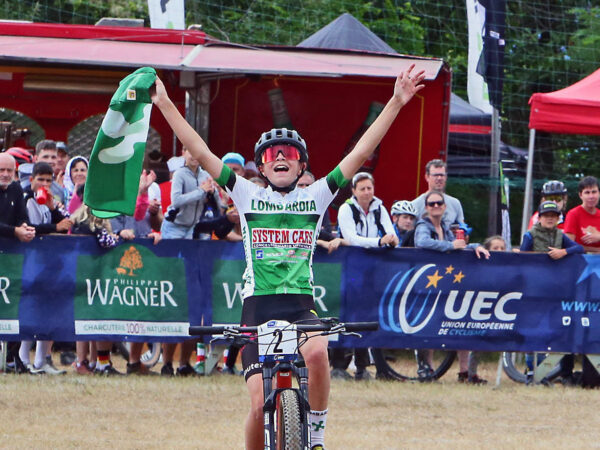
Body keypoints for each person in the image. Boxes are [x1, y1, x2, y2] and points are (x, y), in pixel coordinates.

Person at [151, 64, 425, 450]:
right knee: (257, 405)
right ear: (262, 166)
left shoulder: (316, 196)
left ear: (302, 166)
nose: (281, 156)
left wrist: (396, 101)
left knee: (317, 352)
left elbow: (361, 152)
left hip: (299, 305)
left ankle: (316, 435)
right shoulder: (247, 193)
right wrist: (165, 103)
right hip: (257, 307)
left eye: (290, 153)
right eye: (272, 154)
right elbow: (200, 150)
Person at [414, 190, 490, 384]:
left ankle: (465, 372)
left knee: (461, 324)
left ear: (445, 207)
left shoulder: (446, 228)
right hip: (428, 284)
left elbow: (458, 245)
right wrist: (449, 247)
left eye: (439, 203)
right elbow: (422, 242)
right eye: (432, 204)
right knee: (428, 328)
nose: (436, 206)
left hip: (447, 285)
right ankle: (427, 370)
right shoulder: (423, 225)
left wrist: (475, 246)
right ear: (426, 207)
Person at [334, 171, 397, 380]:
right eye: (362, 189)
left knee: (366, 316)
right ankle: (339, 365)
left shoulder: (379, 208)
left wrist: (391, 240)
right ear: (354, 191)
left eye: (370, 188)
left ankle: (362, 367)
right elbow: (351, 238)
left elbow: (390, 233)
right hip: (350, 266)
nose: (367, 192)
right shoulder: (346, 209)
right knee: (346, 314)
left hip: (372, 269)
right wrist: (379, 242)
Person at [521, 201, 584, 384]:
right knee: (533, 331)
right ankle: (531, 372)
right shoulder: (530, 235)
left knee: (547, 332)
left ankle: (542, 374)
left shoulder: (560, 235)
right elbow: (522, 257)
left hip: (553, 290)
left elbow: (579, 248)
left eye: (553, 216)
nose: (550, 219)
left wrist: (563, 252)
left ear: (558, 219)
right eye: (546, 215)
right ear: (539, 218)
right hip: (533, 290)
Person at [411, 159, 464, 226]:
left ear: (446, 177)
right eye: (435, 175)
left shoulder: (455, 204)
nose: (439, 178)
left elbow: (463, 229)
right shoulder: (415, 205)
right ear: (427, 177)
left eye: (442, 175)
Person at [0, 152, 35, 243]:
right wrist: (15, 231)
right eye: (1, 170)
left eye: (9, 170)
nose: (5, 174)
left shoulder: (16, 188)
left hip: (11, 246)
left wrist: (24, 226)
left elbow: (22, 216)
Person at [563, 176, 600, 253]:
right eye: (587, 192)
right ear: (580, 195)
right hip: (580, 258)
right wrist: (596, 250)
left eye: (594, 192)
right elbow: (568, 245)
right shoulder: (573, 214)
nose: (591, 196)